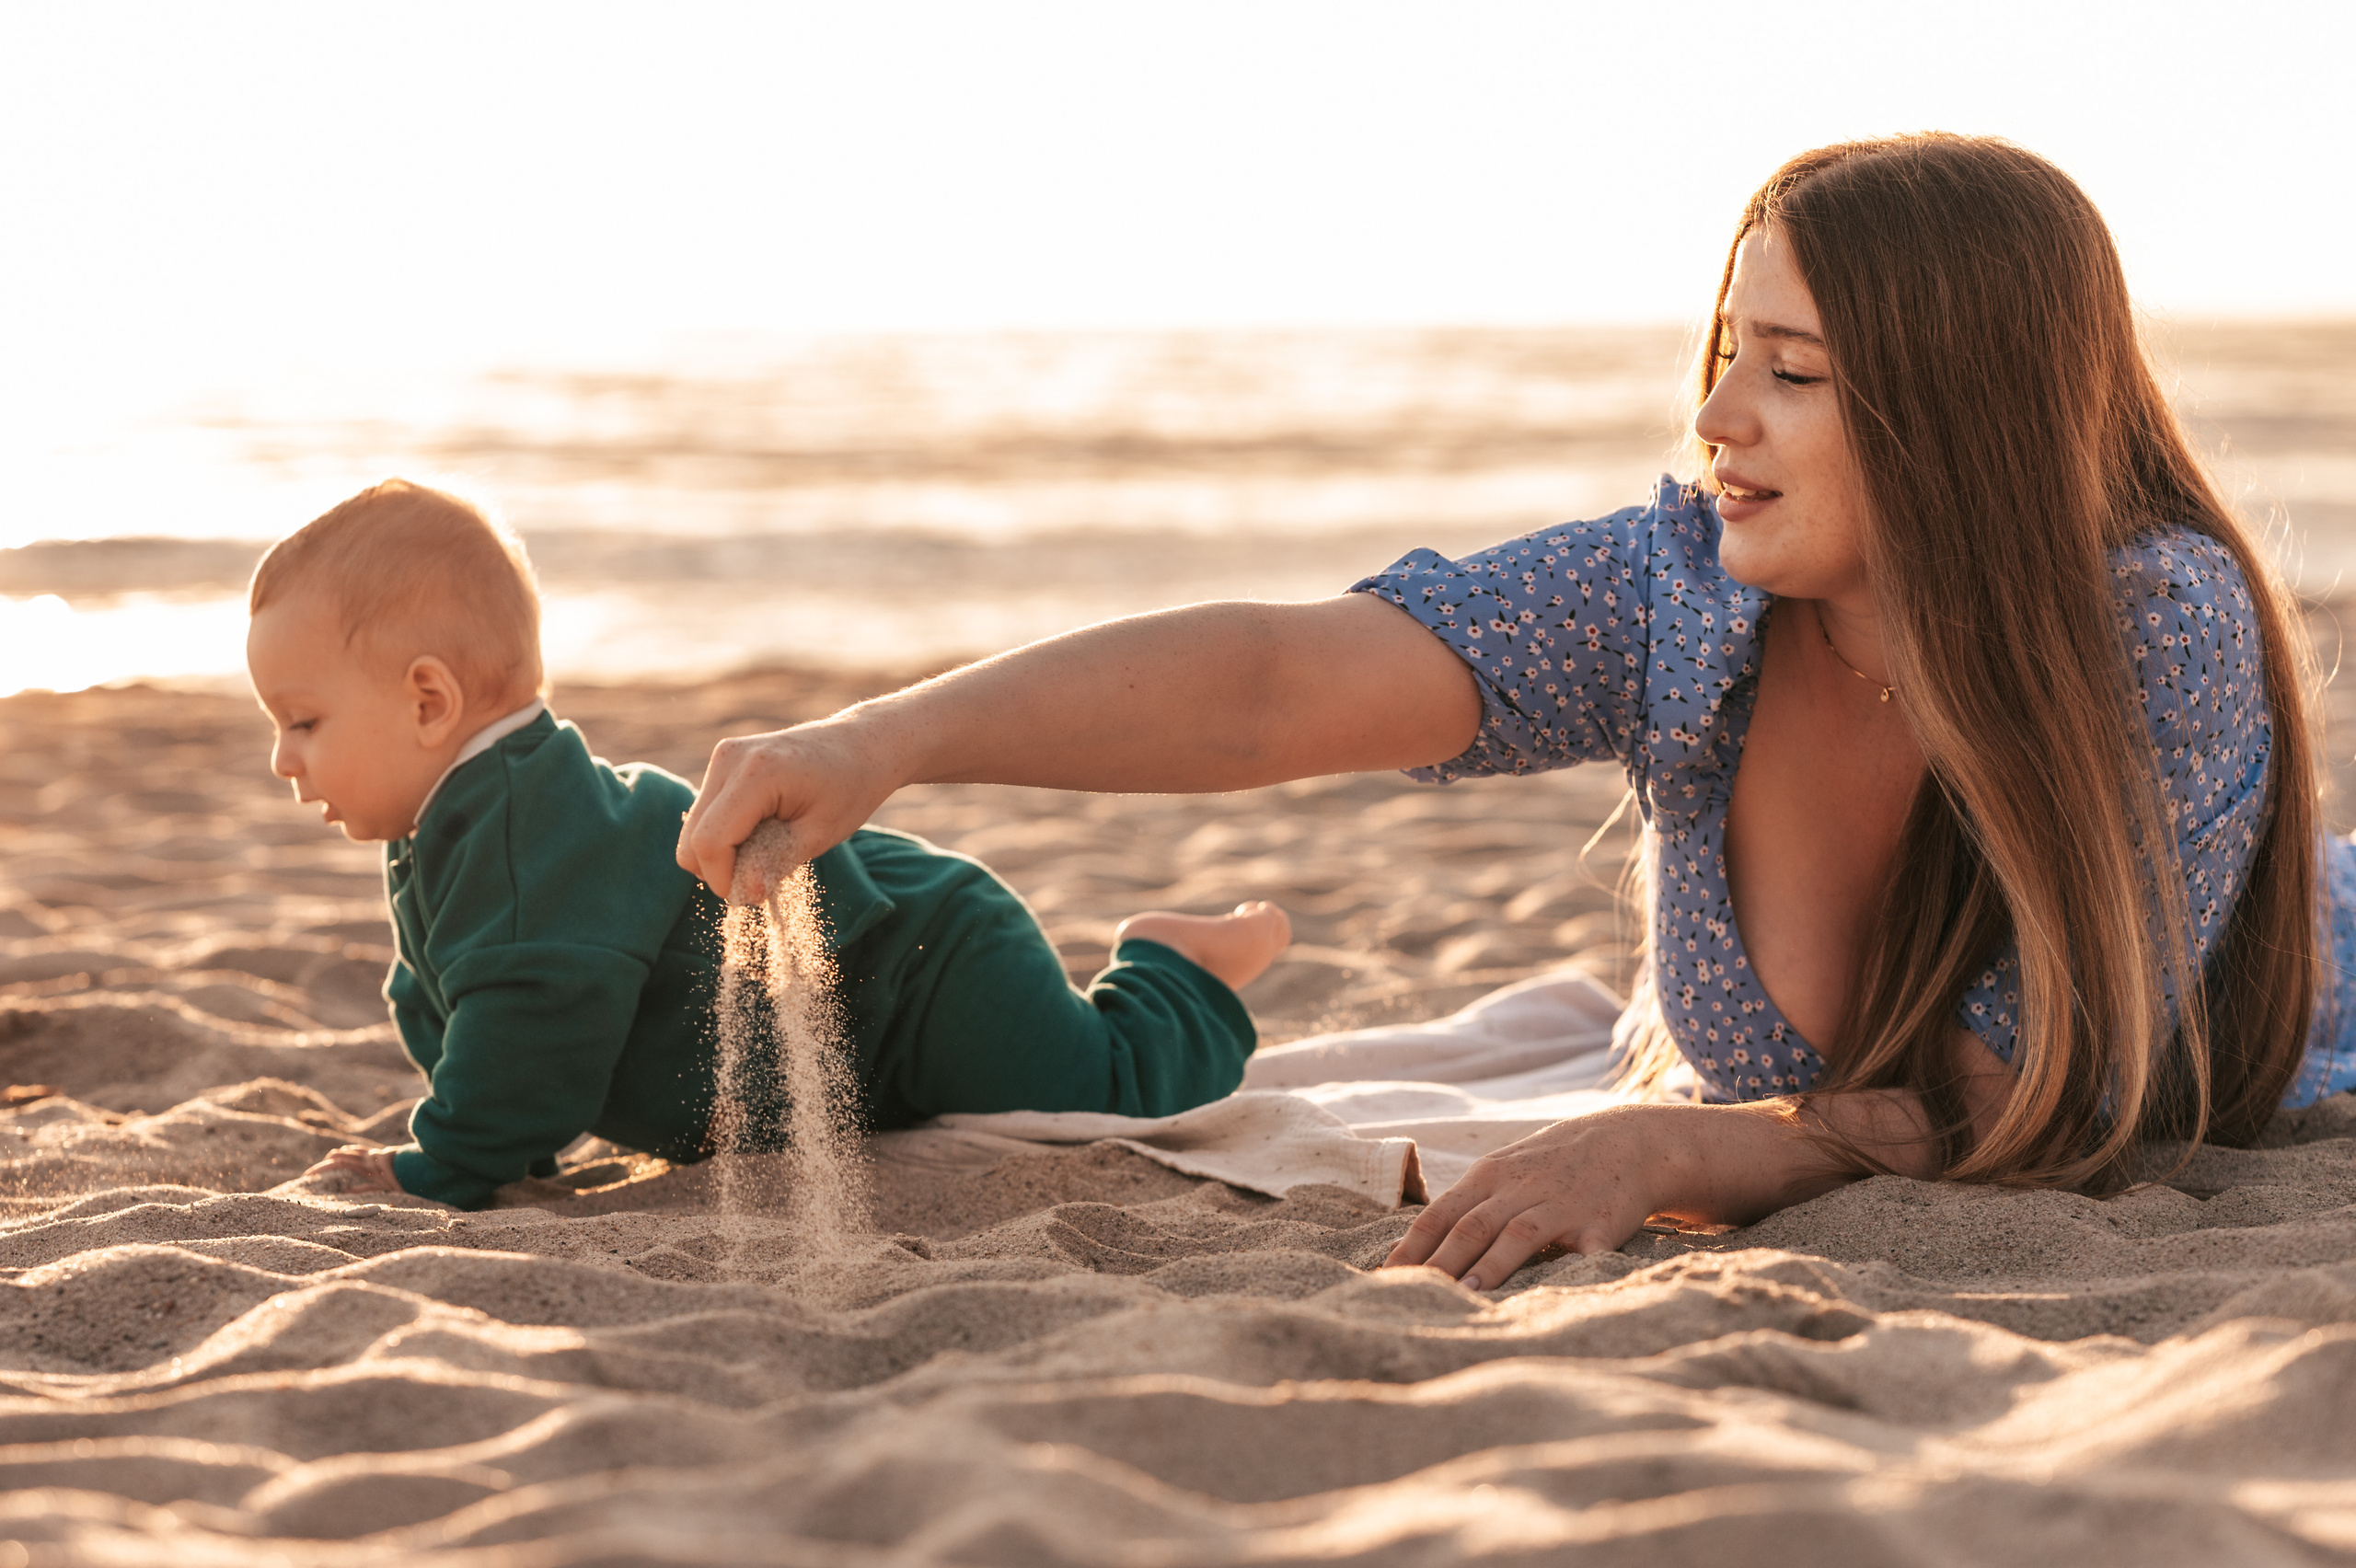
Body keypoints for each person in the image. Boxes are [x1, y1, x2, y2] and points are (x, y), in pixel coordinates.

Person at [677, 133, 2356, 1289]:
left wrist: (1671, 1153)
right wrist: (881, 740)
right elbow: (1281, 682)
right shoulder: (1685, 588)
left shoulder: (2154, 631)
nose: (1716, 413)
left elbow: (2009, 1109)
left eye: (1790, 368)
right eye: (1724, 349)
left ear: (1957, 406)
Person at [248, 478, 1290, 1211]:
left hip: (925, 975)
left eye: (303, 723)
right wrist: (491, 1143)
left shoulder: (528, 841)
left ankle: (1172, 969)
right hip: (855, 1030)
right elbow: (453, 1002)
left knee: (1105, 1091)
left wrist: (444, 1167)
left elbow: (533, 1032)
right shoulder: (466, 828)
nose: (283, 761)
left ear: (428, 699)